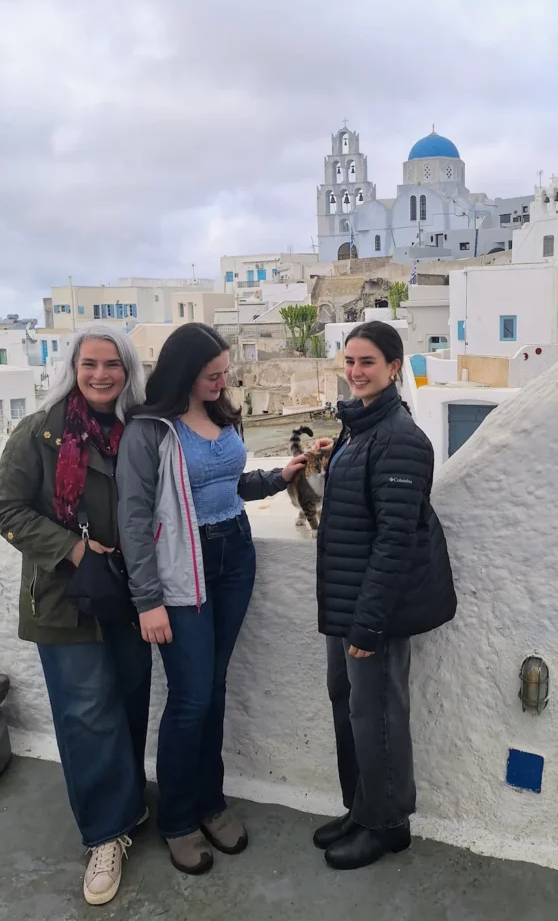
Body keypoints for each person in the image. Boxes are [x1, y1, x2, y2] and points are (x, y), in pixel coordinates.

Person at [116, 322, 306, 876]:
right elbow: (133, 518)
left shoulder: (222, 413)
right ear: (183, 374)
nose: (222, 382)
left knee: (215, 688)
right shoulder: (149, 431)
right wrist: (147, 599)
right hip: (182, 568)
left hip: (236, 556)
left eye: (225, 373)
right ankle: (178, 817)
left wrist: (277, 477)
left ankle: (210, 802)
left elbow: (229, 482)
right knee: (192, 696)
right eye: (212, 375)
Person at [0, 325, 151, 906]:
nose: (101, 375)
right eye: (90, 363)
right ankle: (105, 835)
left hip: (129, 596)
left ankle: (128, 803)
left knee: (130, 699)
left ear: (127, 368)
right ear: (73, 366)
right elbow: (7, 508)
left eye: (112, 364)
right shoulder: (37, 432)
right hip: (63, 600)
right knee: (86, 714)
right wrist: (75, 549)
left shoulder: (138, 429)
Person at [311, 320, 457, 870]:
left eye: (367, 362)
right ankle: (361, 808)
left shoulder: (399, 438)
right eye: (349, 361)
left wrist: (368, 624)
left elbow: (396, 541)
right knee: (348, 706)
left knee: (378, 715)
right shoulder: (359, 427)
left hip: (373, 611)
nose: (355, 372)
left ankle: (388, 824)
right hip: (345, 603)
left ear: (395, 367)